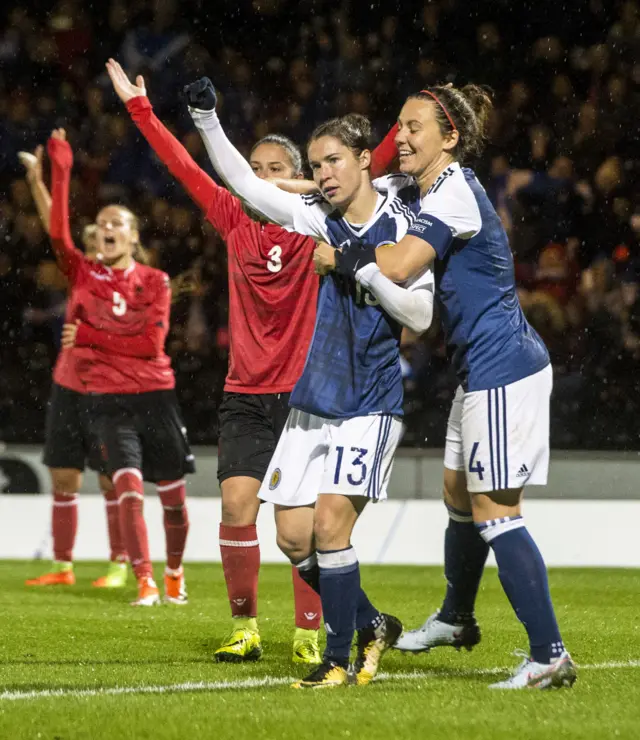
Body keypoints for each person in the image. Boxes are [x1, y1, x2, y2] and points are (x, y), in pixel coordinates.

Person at [314, 85, 577, 690]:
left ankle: (549, 654)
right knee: (458, 495)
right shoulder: (418, 188)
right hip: (477, 370)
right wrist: (296, 188)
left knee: (496, 512)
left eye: (412, 127)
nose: (398, 137)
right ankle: (458, 618)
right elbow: (358, 183)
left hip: (505, 367)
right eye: (397, 126)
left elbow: (402, 265)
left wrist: (346, 255)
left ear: (449, 138)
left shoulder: (456, 190)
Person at [186, 76, 434, 688]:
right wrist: (206, 119)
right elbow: (243, 185)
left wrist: (357, 267)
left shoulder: (403, 223)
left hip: (368, 404)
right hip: (310, 406)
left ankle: (338, 658)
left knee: (329, 528)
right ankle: (372, 622)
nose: (322, 174)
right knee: (295, 539)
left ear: (361, 162)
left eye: (332, 162)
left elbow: (421, 316)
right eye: (316, 164)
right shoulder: (314, 217)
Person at [105, 58, 322, 661]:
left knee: (296, 532)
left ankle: (309, 632)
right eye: (252, 171)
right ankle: (245, 629)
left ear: (299, 177)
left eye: (274, 171)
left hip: (306, 399)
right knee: (234, 505)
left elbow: (360, 181)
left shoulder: (318, 226)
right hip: (247, 393)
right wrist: (140, 110)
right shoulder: (232, 218)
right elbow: (182, 163)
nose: (259, 180)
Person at [44, 128, 194, 607]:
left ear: (133, 235)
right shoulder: (85, 273)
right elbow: (57, 233)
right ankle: (145, 580)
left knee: (172, 497)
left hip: (155, 394)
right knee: (127, 486)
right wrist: (61, 170)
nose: (107, 227)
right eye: (102, 222)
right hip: (107, 400)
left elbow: (151, 346)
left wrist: (91, 337)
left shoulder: (155, 281)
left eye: (118, 223)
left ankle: (173, 573)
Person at [20, 146, 128, 589]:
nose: (95, 246)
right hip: (69, 385)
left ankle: (120, 563)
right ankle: (63, 566)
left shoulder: (139, 281)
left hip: (111, 390)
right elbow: (55, 227)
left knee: (110, 480)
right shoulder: (82, 273)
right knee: (64, 475)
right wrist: (37, 182)